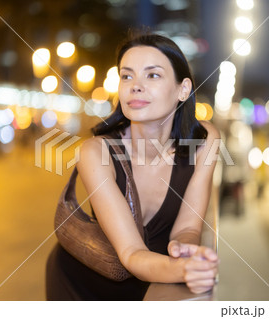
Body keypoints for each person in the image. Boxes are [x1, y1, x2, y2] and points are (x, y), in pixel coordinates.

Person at [46, 32, 220, 301]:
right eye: (127, 76)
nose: (135, 86)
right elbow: (130, 253)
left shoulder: (205, 141)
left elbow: (188, 228)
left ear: (183, 89)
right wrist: (183, 270)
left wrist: (187, 252)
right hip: (82, 284)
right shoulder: (95, 151)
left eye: (152, 75)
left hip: (154, 278)